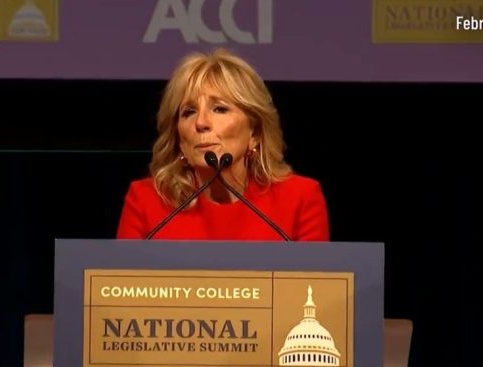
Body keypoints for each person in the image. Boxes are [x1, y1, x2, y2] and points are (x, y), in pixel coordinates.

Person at [116, 48, 329, 241]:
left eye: (219, 109)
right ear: (179, 139)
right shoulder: (145, 201)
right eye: (189, 112)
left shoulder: (300, 199)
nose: (201, 123)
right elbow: (122, 272)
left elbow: (315, 273)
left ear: (254, 132)